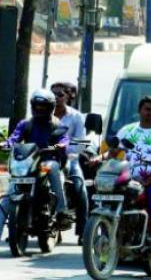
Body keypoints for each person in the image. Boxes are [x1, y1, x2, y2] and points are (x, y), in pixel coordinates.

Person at [108, 96, 151, 280]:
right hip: (128, 179)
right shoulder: (127, 130)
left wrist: (147, 182)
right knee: (107, 199)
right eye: (148, 109)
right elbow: (113, 154)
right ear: (140, 111)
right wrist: (104, 157)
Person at [3, 89, 73, 231]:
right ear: (33, 106)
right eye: (37, 106)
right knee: (7, 198)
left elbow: (64, 139)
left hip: (45, 164)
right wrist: (6, 144)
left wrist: (61, 145)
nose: (40, 109)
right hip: (29, 163)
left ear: (50, 107)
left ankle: (61, 211)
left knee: (52, 167)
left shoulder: (56, 124)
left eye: (43, 106)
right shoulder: (26, 124)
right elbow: (15, 137)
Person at [51, 82, 90, 239]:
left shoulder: (76, 117)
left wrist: (65, 151)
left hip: (69, 159)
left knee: (80, 188)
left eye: (60, 94)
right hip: (46, 158)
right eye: (52, 94)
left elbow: (80, 142)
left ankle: (83, 232)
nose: (56, 98)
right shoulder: (43, 114)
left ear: (67, 97)